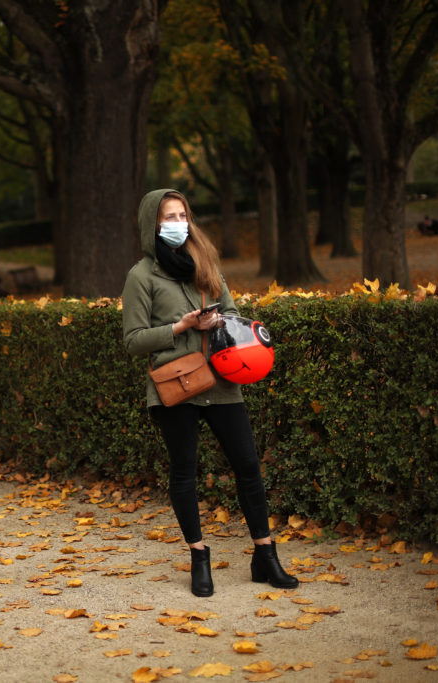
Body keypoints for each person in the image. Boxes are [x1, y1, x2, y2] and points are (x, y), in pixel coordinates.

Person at [121, 188, 298, 598]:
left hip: (221, 380)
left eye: (182, 214)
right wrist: (181, 328)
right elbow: (132, 341)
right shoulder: (141, 276)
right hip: (177, 385)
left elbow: (233, 312)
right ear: (153, 224)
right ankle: (199, 556)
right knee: (185, 472)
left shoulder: (205, 263)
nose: (178, 223)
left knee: (248, 465)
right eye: (169, 216)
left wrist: (219, 320)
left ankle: (265, 555)